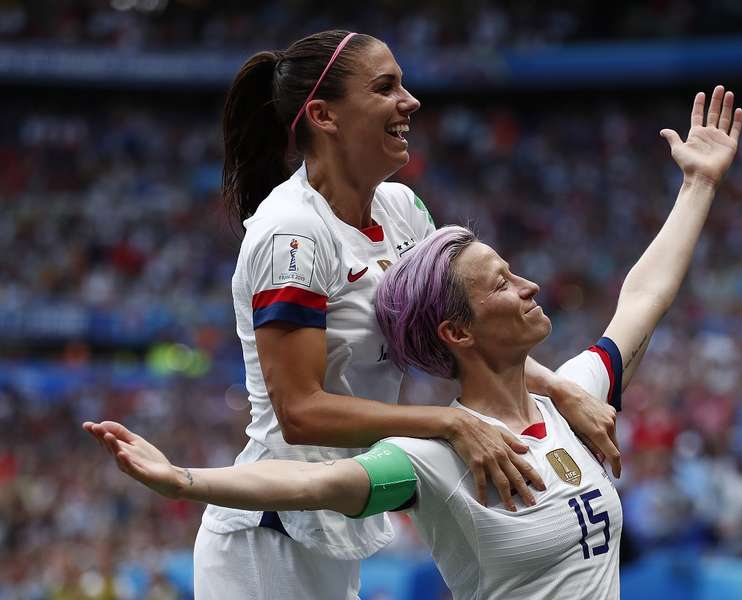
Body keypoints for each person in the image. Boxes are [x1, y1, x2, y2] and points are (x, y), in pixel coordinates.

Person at [85, 86, 742, 599]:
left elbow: (642, 300)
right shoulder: (434, 456)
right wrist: (182, 481)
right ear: (457, 331)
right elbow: (312, 484)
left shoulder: (575, 402)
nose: (531, 285)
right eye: (503, 283)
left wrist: (698, 184)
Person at [208, 28, 620, 600]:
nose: (411, 101)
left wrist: (561, 391)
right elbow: (300, 411)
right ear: (325, 116)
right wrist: (449, 422)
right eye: (386, 87)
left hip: (333, 521)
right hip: (269, 533)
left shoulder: (402, 207)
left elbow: (456, 333)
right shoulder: (292, 235)